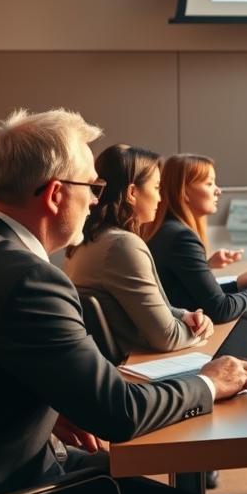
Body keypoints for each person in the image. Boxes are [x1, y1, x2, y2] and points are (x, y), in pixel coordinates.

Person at [0, 109, 247, 494]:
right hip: (12, 487)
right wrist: (209, 382)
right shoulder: (31, 280)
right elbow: (119, 413)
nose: (97, 201)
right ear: (56, 194)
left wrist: (50, 404)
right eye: (92, 186)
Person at [65, 145, 213, 359]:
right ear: (132, 193)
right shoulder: (121, 246)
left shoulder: (88, 239)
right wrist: (199, 332)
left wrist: (184, 315)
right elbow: (168, 337)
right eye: (156, 188)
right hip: (135, 365)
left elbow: (138, 306)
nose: (160, 199)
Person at [147, 154, 247, 324]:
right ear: (184, 191)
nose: (218, 190)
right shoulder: (181, 238)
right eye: (209, 183)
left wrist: (236, 285)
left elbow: (191, 298)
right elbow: (220, 310)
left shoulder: (167, 229)